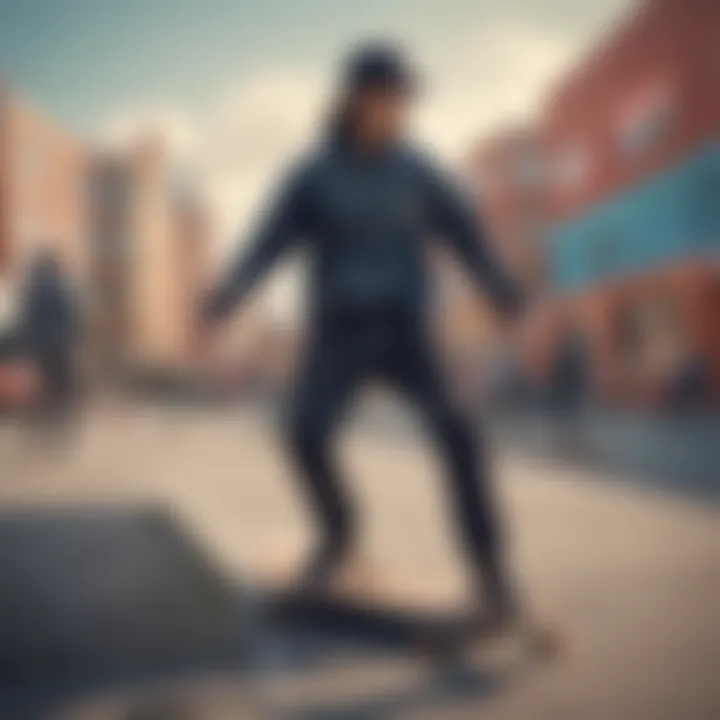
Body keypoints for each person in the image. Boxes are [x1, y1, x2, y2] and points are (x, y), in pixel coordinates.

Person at [201, 43, 526, 622]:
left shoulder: (417, 169)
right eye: (382, 100)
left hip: (406, 330)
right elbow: (267, 240)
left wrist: (498, 284)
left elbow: (465, 233)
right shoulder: (313, 174)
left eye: (401, 102)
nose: (393, 111)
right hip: (339, 331)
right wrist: (229, 292)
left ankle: (492, 574)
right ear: (353, 100)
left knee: (459, 432)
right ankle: (338, 530)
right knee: (304, 432)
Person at [20, 250, 82, 432]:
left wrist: (28, 342)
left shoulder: (34, 288)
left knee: (44, 381)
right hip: (60, 342)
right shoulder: (62, 287)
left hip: (41, 343)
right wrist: (73, 336)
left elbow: (29, 318)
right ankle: (62, 420)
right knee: (62, 382)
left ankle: (47, 419)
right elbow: (71, 315)